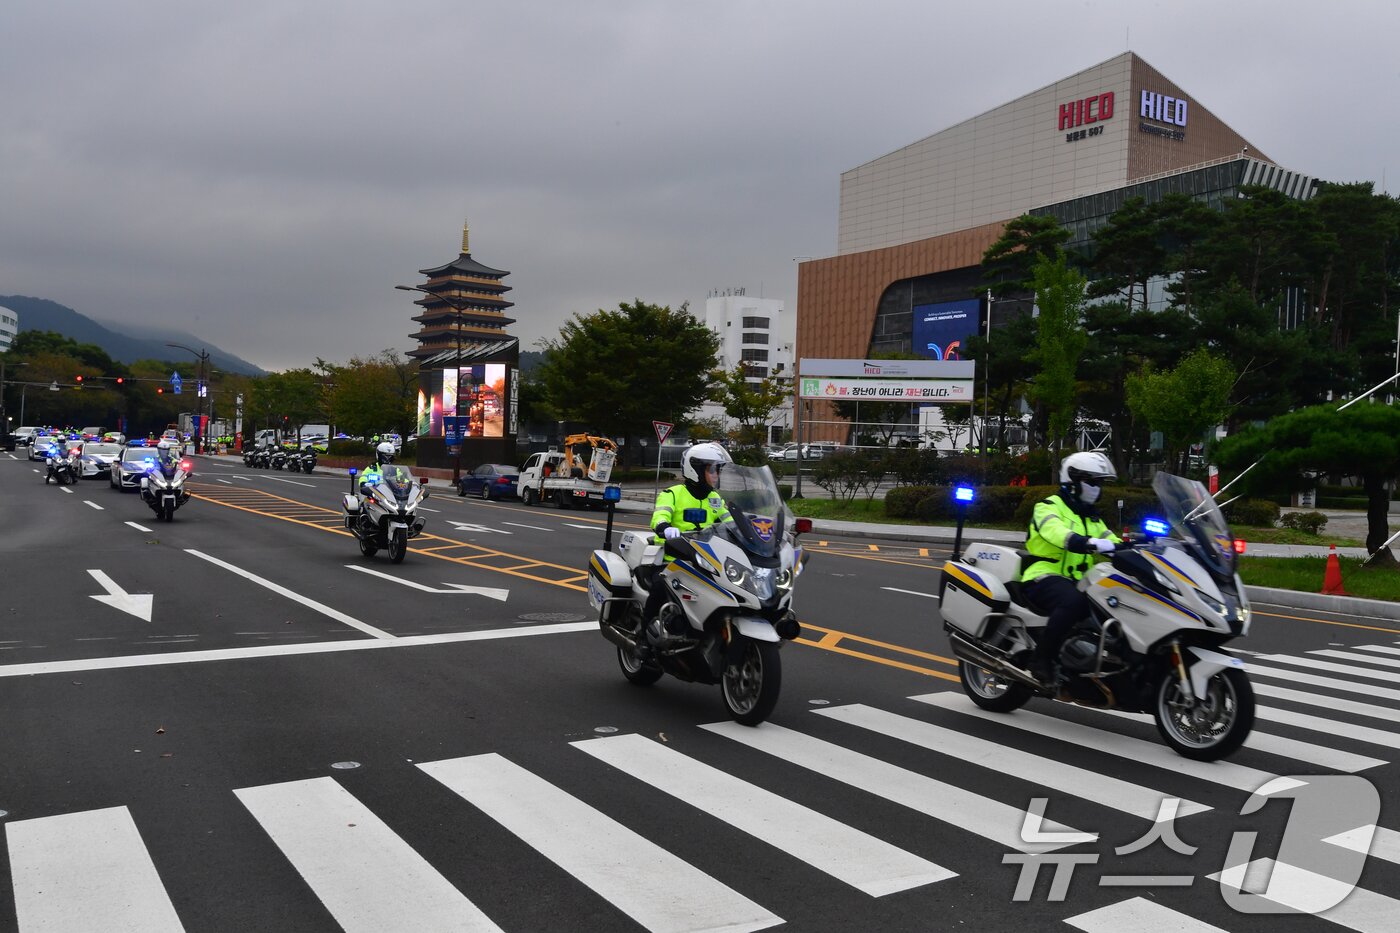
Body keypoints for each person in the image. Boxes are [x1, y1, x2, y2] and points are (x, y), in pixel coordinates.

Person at [1021, 451, 1122, 683]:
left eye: (1100, 483)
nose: (1097, 488)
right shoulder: (1048, 507)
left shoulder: (1092, 517)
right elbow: (1055, 531)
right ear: (1073, 481)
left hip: (1082, 581)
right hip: (1044, 576)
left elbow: (1110, 540)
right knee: (1073, 602)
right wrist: (1080, 541)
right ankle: (1041, 660)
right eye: (1092, 481)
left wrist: (1134, 548)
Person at [639, 441, 734, 648]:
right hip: (674, 559)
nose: (716, 474)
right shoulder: (672, 494)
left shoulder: (715, 498)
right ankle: (643, 638)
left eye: (718, 470)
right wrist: (665, 527)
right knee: (659, 586)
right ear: (696, 470)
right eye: (712, 469)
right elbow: (659, 516)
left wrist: (750, 530)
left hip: (706, 561)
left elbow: (730, 523)